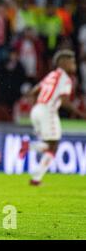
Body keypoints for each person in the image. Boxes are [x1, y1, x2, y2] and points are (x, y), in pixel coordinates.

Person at [19, 50, 86, 185]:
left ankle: (35, 173)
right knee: (53, 146)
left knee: (51, 145)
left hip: (38, 110)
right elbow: (65, 102)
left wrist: (36, 106)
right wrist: (81, 115)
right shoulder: (66, 79)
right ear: (64, 63)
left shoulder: (51, 75)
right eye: (72, 62)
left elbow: (33, 91)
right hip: (48, 112)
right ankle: (34, 173)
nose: (74, 65)